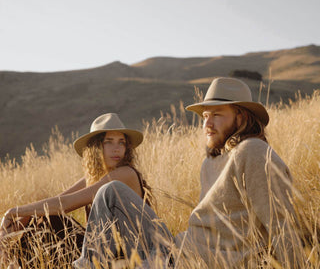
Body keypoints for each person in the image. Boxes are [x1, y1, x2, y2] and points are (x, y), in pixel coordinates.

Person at [72, 77, 302, 268]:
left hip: (193, 262)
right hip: (176, 247)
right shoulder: (211, 162)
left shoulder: (253, 151)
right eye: (204, 117)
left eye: (217, 115)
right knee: (110, 192)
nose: (207, 124)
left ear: (241, 117)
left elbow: (281, 225)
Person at [0, 113, 150, 267]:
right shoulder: (94, 178)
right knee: (44, 218)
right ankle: (11, 260)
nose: (117, 148)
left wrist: (13, 212)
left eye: (121, 142)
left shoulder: (125, 173)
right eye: (109, 142)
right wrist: (13, 228)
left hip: (129, 254)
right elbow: (56, 201)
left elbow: (64, 204)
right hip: (101, 251)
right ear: (96, 147)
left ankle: (12, 262)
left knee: (51, 219)